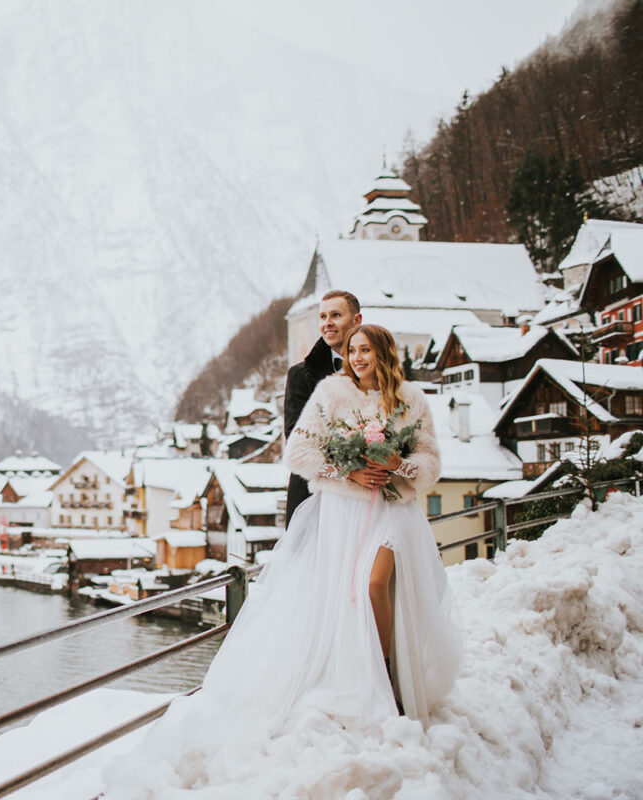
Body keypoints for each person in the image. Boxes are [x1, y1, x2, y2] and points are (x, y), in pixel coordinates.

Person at [101, 325, 462, 794]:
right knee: (349, 594)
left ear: (382, 354)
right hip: (344, 508)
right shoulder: (331, 393)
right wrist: (348, 468)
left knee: (375, 584)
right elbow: (300, 451)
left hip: (393, 509)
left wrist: (397, 466)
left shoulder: (409, 399)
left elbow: (430, 464)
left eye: (365, 349)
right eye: (351, 350)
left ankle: (391, 676)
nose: (356, 357)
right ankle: (364, 670)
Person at [283, 290, 362, 527]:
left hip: (368, 497)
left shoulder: (379, 373)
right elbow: (297, 438)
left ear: (356, 320)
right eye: (323, 317)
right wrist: (349, 469)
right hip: (313, 497)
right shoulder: (300, 375)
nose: (327, 323)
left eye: (336, 315)